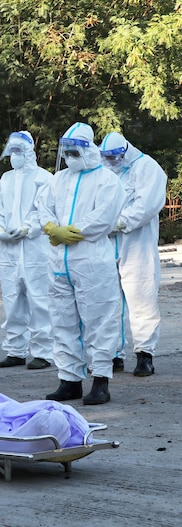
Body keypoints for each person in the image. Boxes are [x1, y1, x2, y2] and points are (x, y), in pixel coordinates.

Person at [38, 122, 125, 405]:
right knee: (62, 320)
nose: (70, 157)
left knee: (99, 320)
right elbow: (43, 206)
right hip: (58, 261)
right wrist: (51, 227)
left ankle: (101, 380)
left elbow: (104, 218)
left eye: (76, 152)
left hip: (91, 260)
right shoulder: (59, 179)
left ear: (90, 150)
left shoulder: (107, 180)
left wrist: (73, 231)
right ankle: (69, 380)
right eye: (68, 152)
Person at [99, 131, 167, 377]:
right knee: (108, 301)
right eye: (106, 157)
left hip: (137, 243)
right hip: (107, 243)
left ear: (125, 151)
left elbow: (147, 204)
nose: (110, 161)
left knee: (141, 297)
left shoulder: (147, 167)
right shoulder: (104, 169)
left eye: (114, 157)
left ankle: (144, 354)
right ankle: (112, 354)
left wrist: (121, 221)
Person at [0, 131, 55, 370]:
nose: (14, 156)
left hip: (35, 248)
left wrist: (29, 228)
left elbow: (45, 210)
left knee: (39, 299)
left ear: (28, 152)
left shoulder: (44, 178)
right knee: (12, 299)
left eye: (18, 151)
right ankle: (15, 350)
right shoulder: (6, 179)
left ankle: (44, 352)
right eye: (11, 151)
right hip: (9, 250)